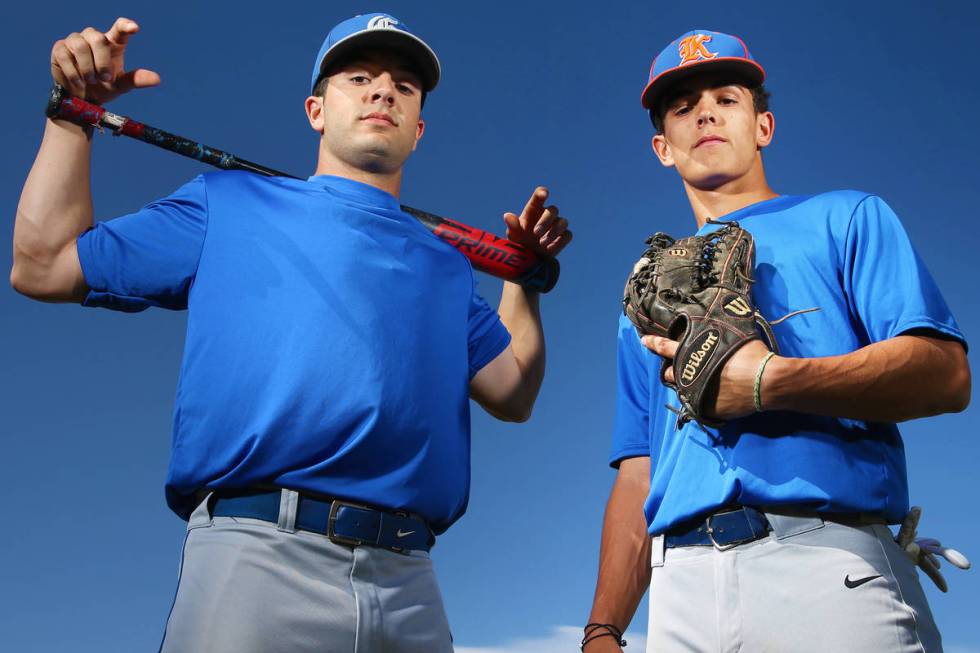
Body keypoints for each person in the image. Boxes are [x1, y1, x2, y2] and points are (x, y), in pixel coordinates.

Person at [12, 13, 571, 652]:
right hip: (257, 558)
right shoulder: (227, 203)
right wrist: (73, 116)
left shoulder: (445, 265)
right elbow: (44, 265)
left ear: (418, 129)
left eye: (404, 86)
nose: (383, 91)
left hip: (410, 578)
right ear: (315, 110)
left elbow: (514, 392)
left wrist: (521, 280)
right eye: (359, 77)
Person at [583, 29, 970, 653]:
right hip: (678, 586)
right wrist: (603, 628)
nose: (704, 112)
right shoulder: (643, 294)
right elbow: (638, 472)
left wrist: (767, 382)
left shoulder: (845, 216)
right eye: (681, 107)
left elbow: (945, 373)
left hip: (827, 562)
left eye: (726, 98)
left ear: (763, 125)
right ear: (662, 147)